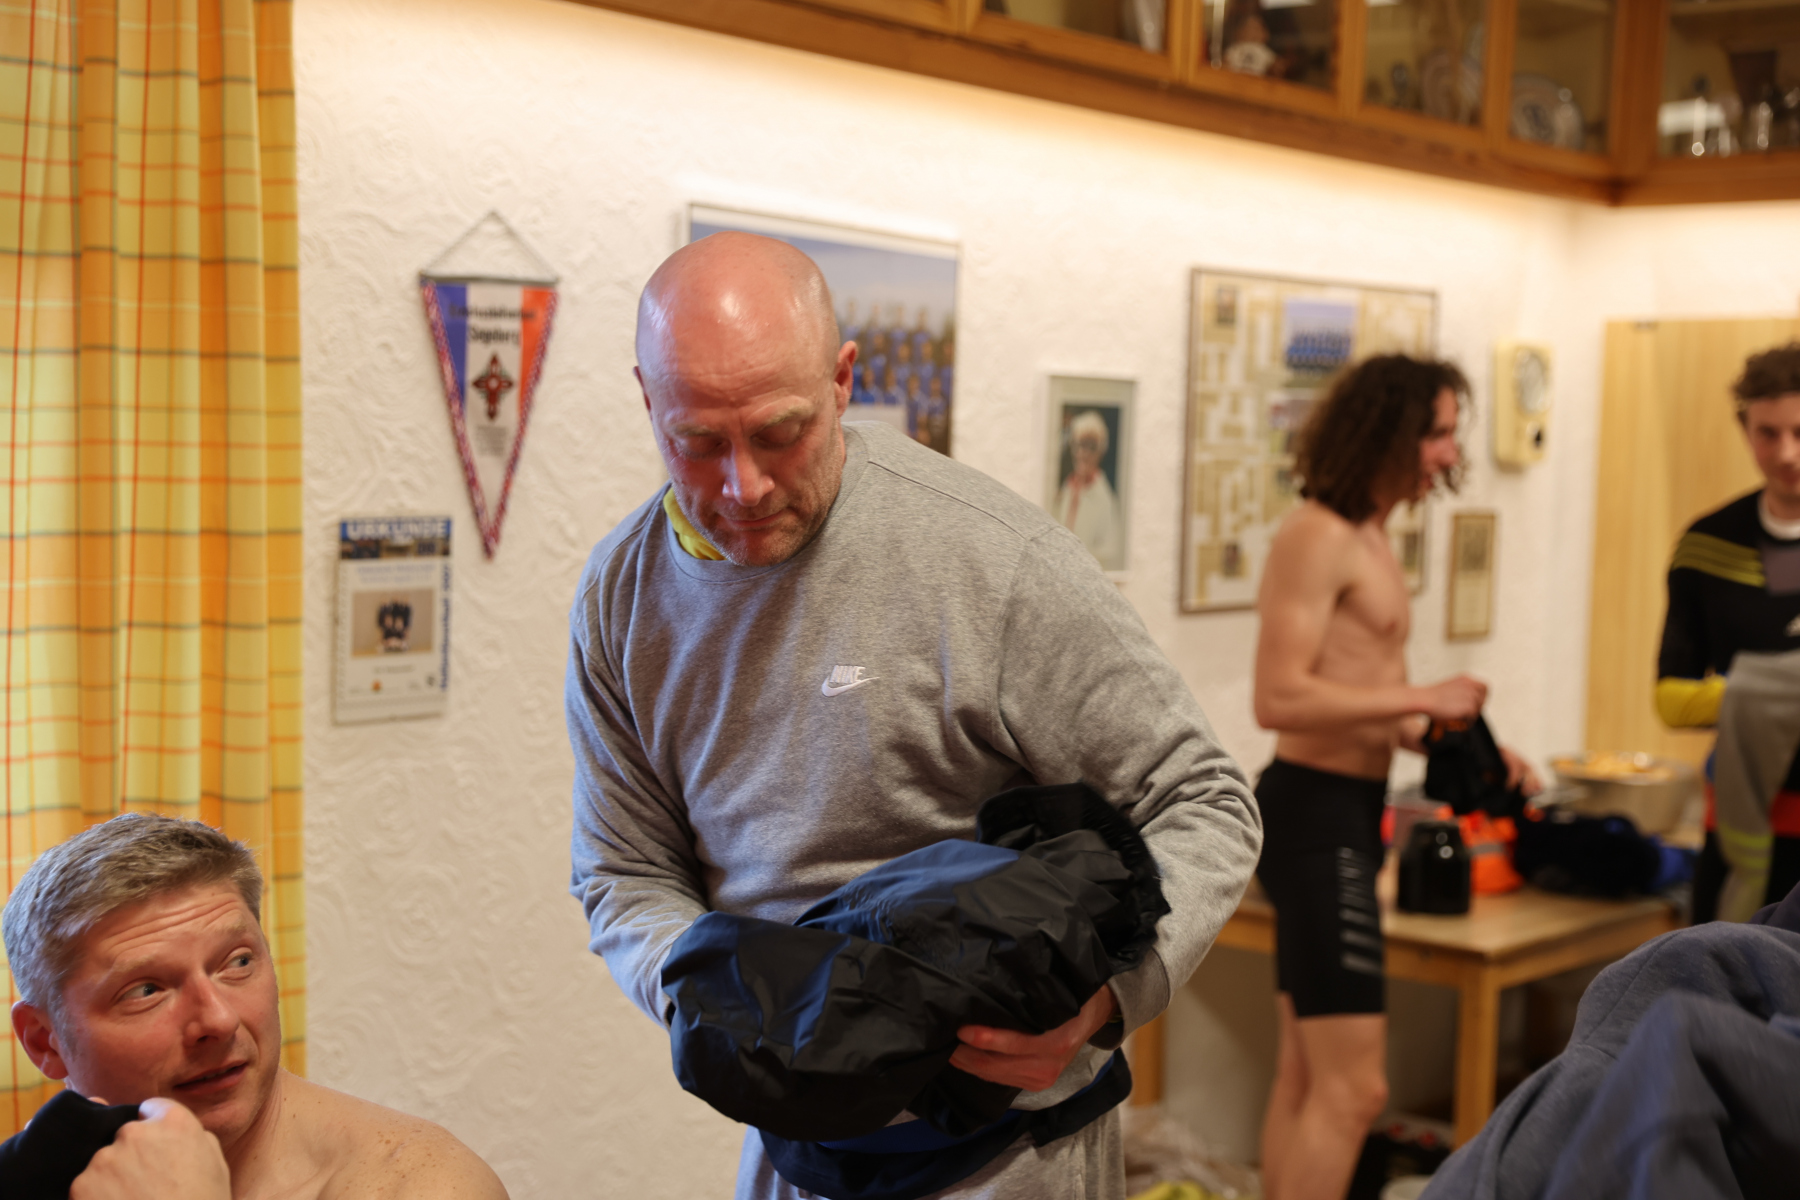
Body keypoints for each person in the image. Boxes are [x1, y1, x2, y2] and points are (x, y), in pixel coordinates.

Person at [565, 231, 1261, 1200]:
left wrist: (1106, 1000)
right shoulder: (622, 599)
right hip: (794, 1147)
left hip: (1013, 1157)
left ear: (843, 380)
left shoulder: (991, 561)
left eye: (780, 433)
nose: (744, 485)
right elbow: (624, 872)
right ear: (648, 400)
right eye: (698, 442)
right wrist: (713, 994)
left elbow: (1207, 800)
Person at [1251, 355, 1539, 1200]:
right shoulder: (1316, 535)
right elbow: (1278, 696)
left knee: (1308, 1076)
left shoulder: (1373, 537)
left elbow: (1364, 698)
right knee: (1356, 1090)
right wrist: (1421, 695)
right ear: (1388, 434)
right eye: (1437, 433)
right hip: (1311, 820)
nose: (1449, 453)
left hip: (1349, 811)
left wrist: (1452, 740)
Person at [2, 813, 507, 1200]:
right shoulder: (30, 1175)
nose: (219, 1020)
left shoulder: (420, 1185)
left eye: (238, 962)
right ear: (45, 1042)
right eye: (146, 991)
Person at [1658, 341, 1800, 923]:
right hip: (1738, 830)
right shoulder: (1707, 546)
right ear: (1745, 430)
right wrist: (1764, 691)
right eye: (1768, 433)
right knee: (1721, 970)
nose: (1787, 453)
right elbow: (1670, 697)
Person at [1052, 410, 1125, 571]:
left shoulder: (1105, 500)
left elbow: (1107, 555)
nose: (1083, 453)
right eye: (1079, 444)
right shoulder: (1067, 488)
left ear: (1101, 451)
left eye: (1091, 446)